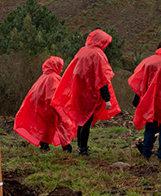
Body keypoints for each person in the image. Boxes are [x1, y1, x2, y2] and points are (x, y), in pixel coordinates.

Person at [51, 29, 121, 157]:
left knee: (81, 121)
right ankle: (82, 150)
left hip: (78, 93)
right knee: (86, 122)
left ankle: (81, 148)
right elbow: (102, 78)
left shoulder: (82, 52)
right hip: (89, 94)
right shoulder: (98, 55)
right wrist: (107, 99)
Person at [14, 56, 76, 153]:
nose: (61, 69)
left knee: (46, 127)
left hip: (41, 108)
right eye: (60, 66)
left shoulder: (42, 78)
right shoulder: (53, 78)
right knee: (61, 125)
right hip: (50, 108)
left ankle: (45, 147)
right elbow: (56, 94)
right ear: (56, 66)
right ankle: (66, 147)